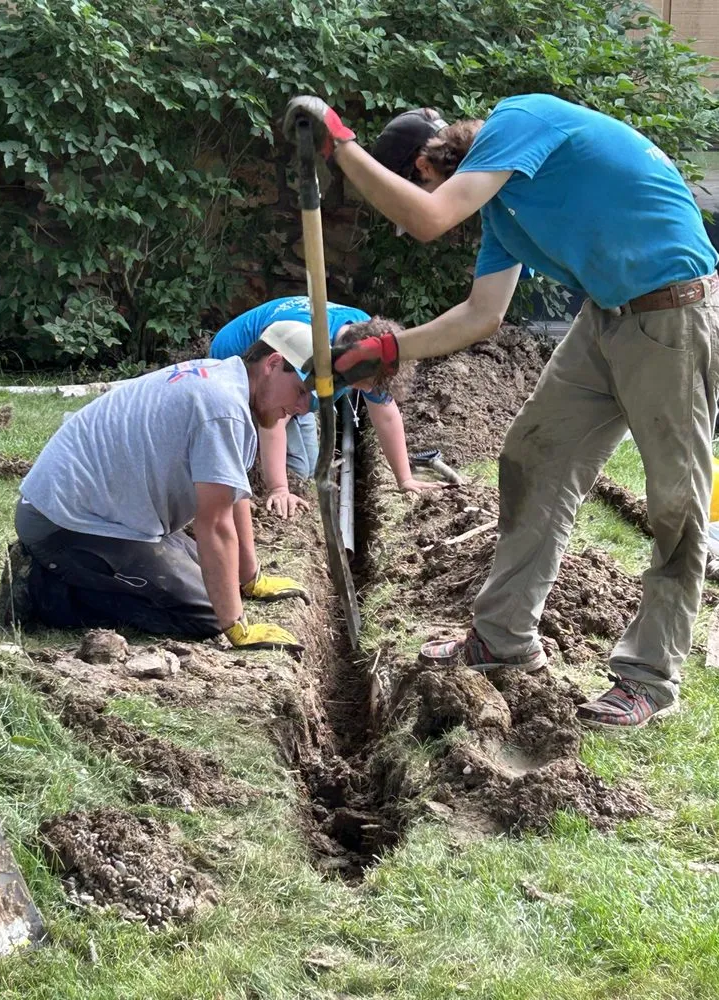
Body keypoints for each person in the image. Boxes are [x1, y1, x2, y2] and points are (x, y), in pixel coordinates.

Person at [284, 92, 719, 731]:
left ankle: (648, 679)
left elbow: (430, 218)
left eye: (411, 191)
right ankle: (502, 637)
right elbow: (482, 315)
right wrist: (389, 348)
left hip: (673, 316)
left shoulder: (521, 122)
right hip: (605, 318)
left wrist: (340, 146)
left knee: (676, 505)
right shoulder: (506, 210)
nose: (413, 221)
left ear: (429, 164)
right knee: (532, 456)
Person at [0, 322, 319, 651]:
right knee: (207, 613)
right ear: (273, 364)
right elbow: (215, 525)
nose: (303, 408)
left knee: (221, 578)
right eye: (301, 392)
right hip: (63, 521)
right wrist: (236, 627)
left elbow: (230, 497)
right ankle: (41, 591)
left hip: (99, 512)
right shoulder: (224, 409)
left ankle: (68, 570)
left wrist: (249, 578)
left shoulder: (225, 381)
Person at [210, 295, 446, 518]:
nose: (363, 391)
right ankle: (244, 476)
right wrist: (279, 488)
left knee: (304, 472)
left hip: (296, 385)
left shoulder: (369, 345)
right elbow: (273, 414)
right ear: (350, 364)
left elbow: (386, 415)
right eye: (363, 383)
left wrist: (405, 479)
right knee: (247, 450)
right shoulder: (306, 346)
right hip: (244, 373)